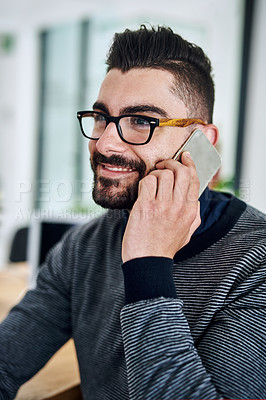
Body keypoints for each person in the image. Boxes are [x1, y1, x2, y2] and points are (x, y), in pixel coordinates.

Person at [1, 25, 266, 400]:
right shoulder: (83, 246)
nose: (105, 142)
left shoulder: (257, 261)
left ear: (201, 143)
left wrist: (148, 261)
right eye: (100, 117)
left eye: (142, 120)